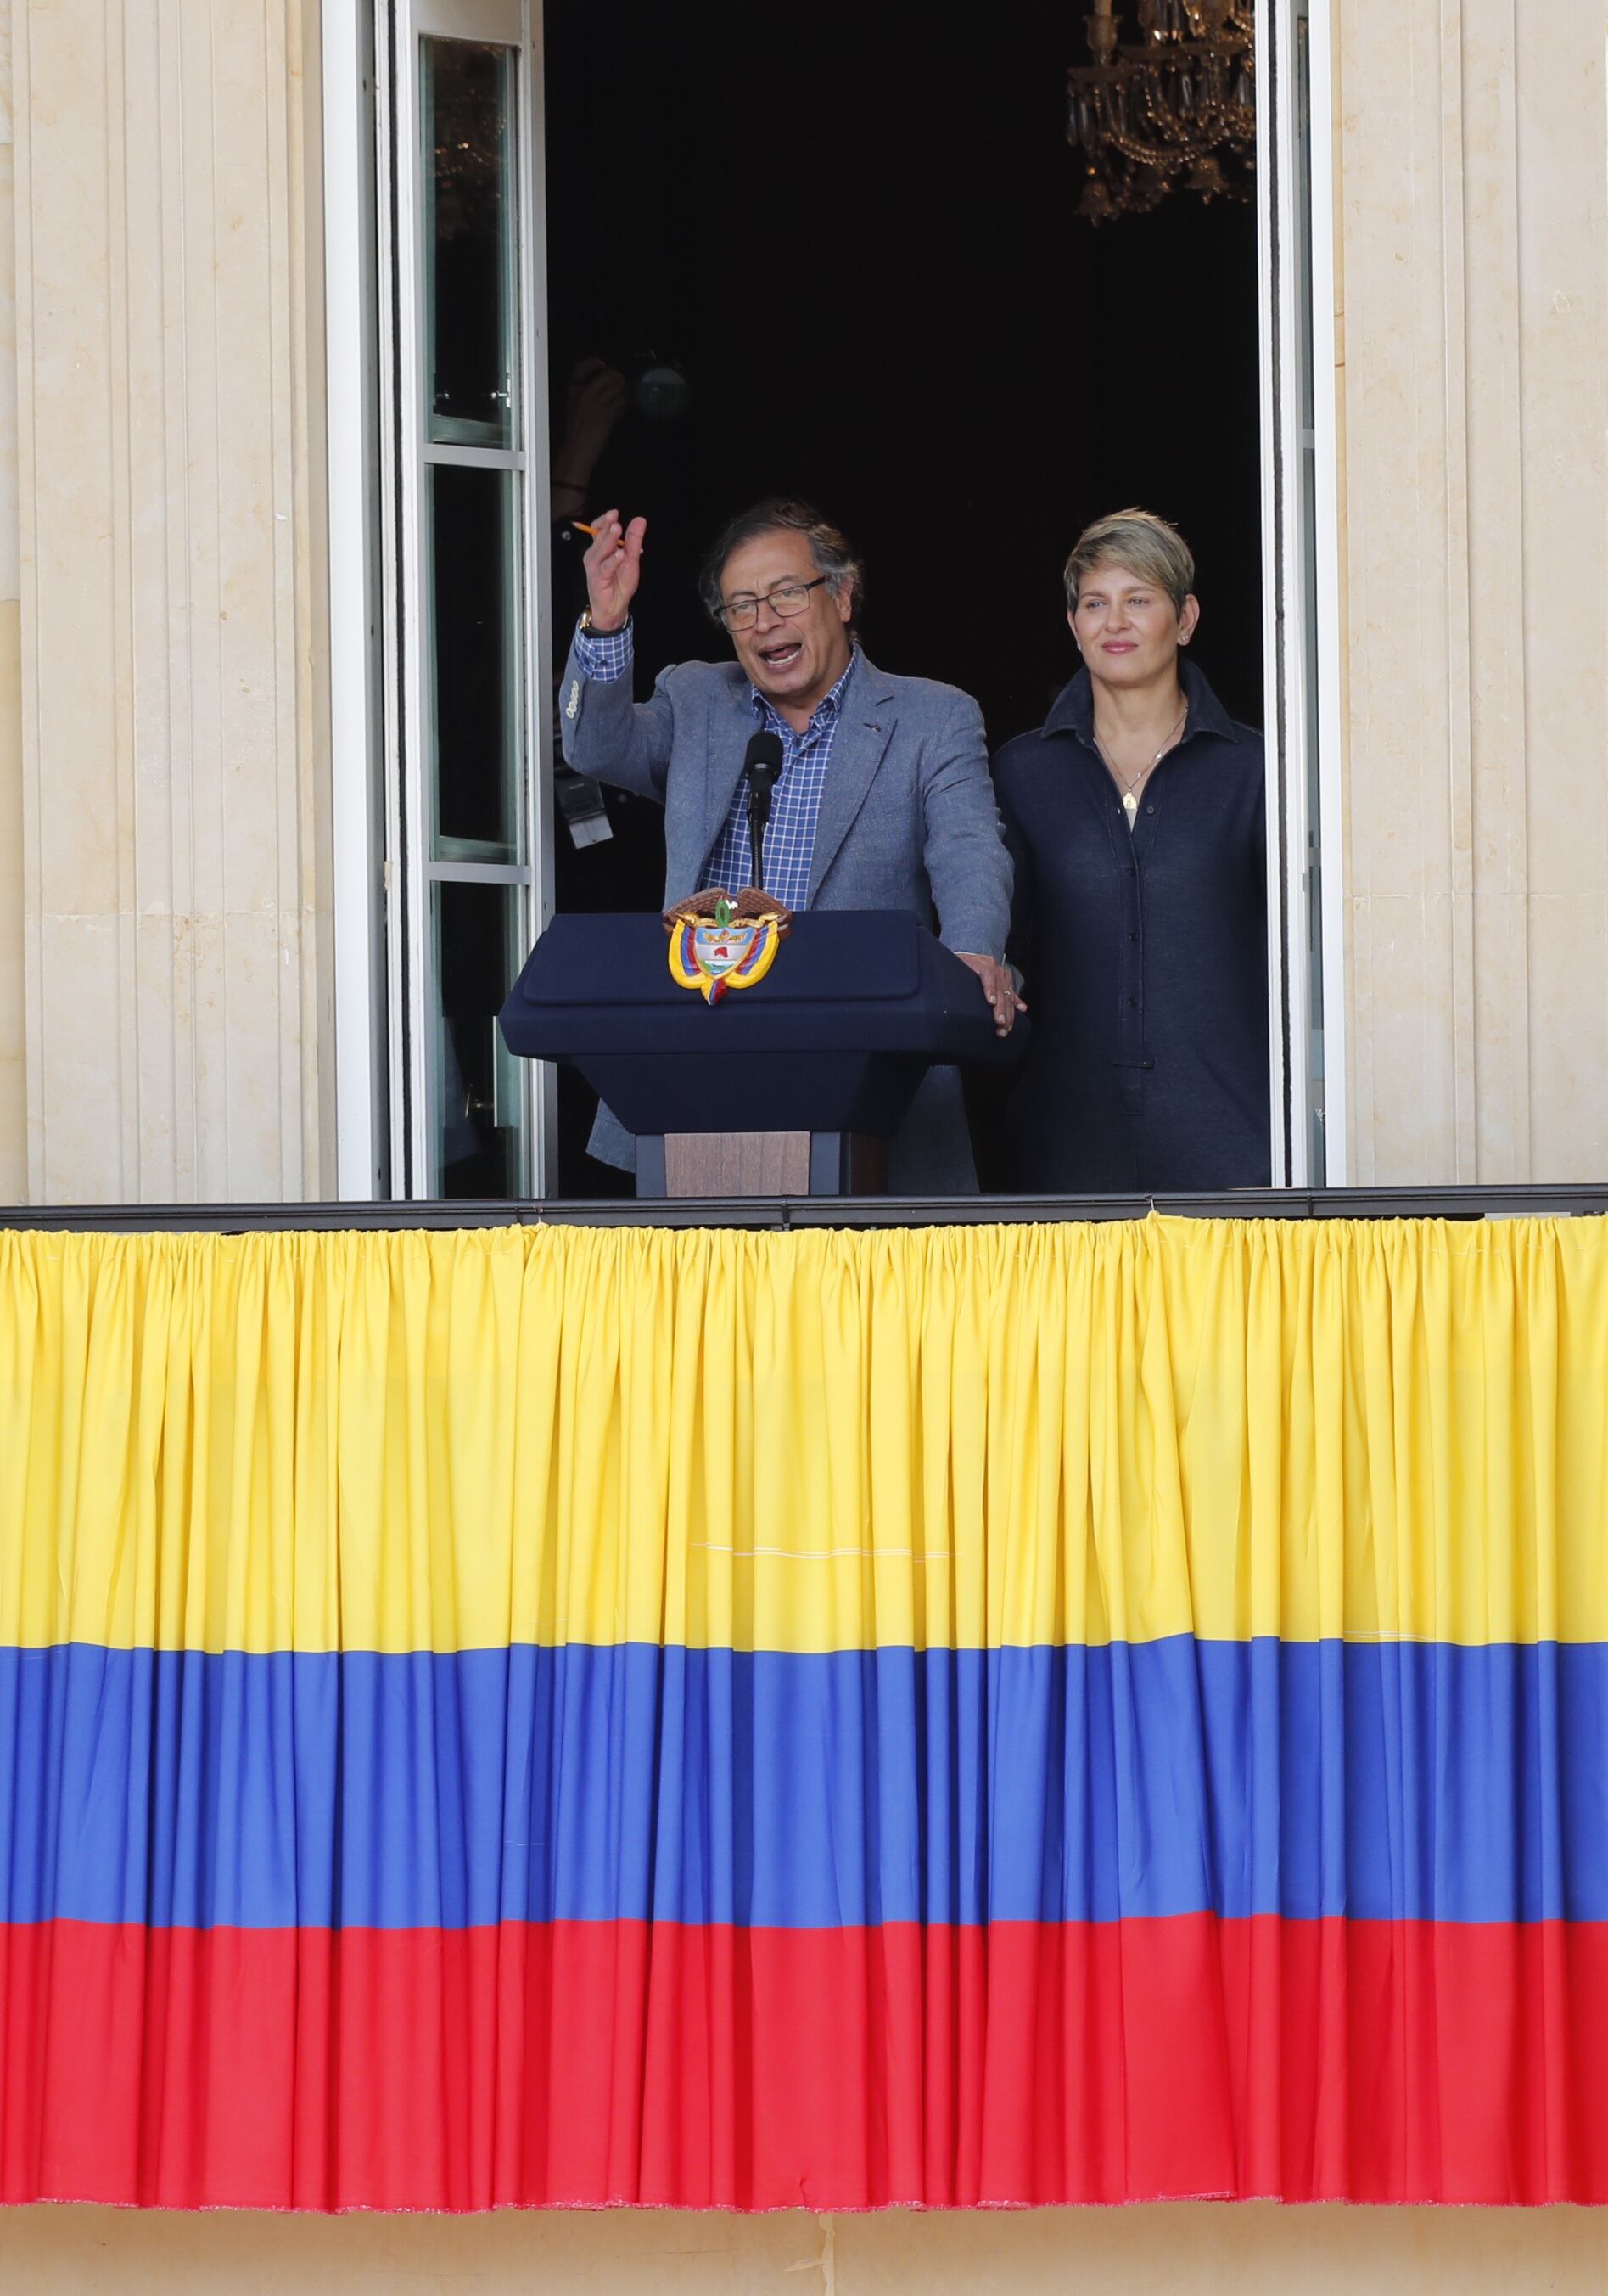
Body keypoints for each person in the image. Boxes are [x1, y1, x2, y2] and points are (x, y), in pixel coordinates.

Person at [560, 497, 1020, 1191]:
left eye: (784, 594)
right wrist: (606, 622)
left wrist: (972, 952)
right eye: (740, 606)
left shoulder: (932, 716)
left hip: (865, 1073)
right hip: (698, 1068)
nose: (764, 621)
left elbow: (969, 848)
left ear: (842, 594)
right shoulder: (695, 699)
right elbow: (595, 747)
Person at [990, 508, 1269, 1193]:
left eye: (1138, 600)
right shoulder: (1022, 772)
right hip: (1063, 1145)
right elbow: (1000, 953)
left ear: (1185, 619)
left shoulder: (1258, 770)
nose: (1113, 622)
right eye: (1094, 603)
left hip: (1232, 1143)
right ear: (1072, 624)